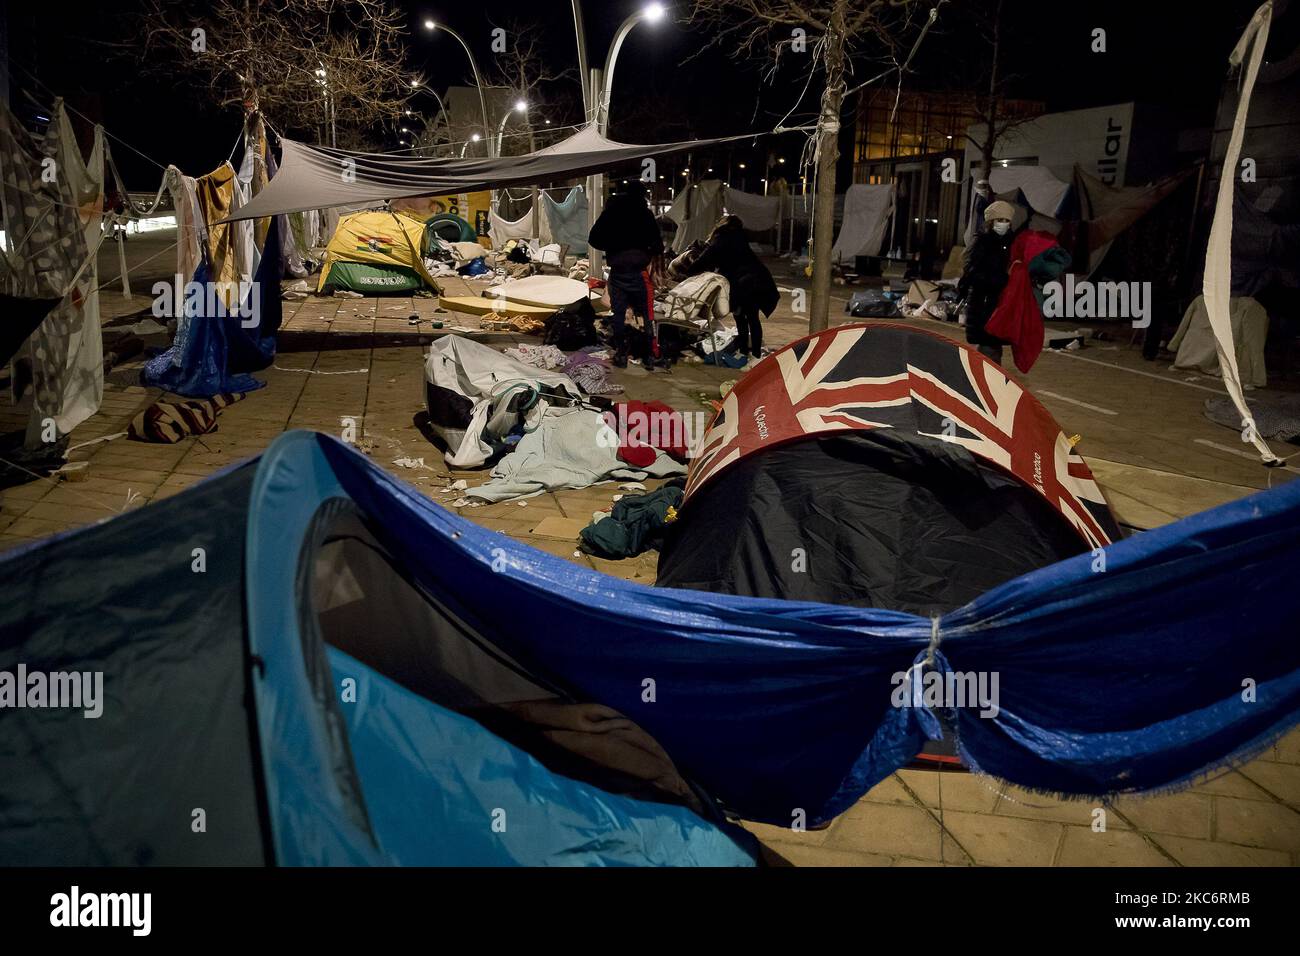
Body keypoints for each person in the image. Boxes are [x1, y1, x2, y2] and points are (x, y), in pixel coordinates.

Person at [587, 180, 665, 369]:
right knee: (647, 314)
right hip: (638, 271)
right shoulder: (644, 214)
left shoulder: (611, 212)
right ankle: (649, 356)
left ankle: (621, 353)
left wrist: (612, 246)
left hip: (618, 270)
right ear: (642, 195)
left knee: (619, 314)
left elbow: (594, 238)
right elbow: (658, 245)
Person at [693, 214, 779, 369]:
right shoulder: (739, 236)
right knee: (748, 317)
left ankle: (751, 355)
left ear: (725, 223)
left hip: (746, 282)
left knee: (744, 317)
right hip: (755, 280)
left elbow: (706, 259)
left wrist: (688, 269)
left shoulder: (723, 238)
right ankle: (750, 354)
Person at [958, 199, 1019, 365]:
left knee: (993, 347)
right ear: (991, 222)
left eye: (1007, 221)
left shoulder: (1012, 243)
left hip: (999, 305)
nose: (1004, 224)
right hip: (983, 304)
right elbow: (972, 272)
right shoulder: (981, 242)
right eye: (1000, 220)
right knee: (989, 349)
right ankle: (985, 385)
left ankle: (986, 383)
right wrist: (997, 281)